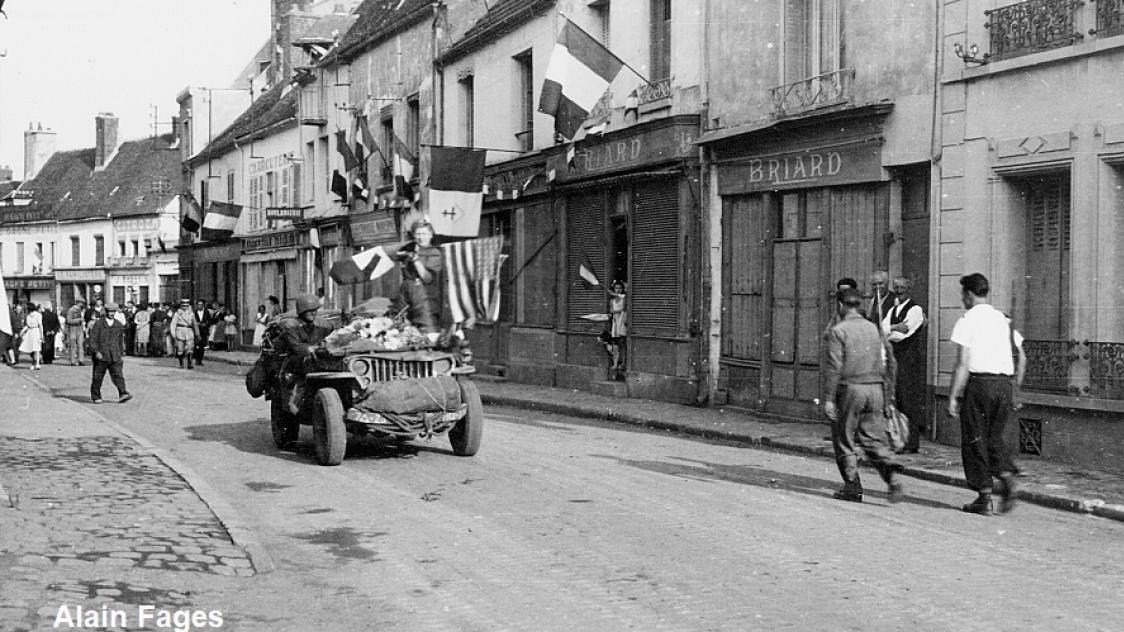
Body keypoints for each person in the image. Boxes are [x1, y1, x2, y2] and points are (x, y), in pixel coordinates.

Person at [948, 273, 1026, 515]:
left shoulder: (967, 320)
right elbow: (1022, 357)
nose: (963, 299)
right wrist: (1016, 390)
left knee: (974, 440)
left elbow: (962, 363)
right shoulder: (1004, 319)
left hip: (979, 384)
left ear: (969, 295)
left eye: (963, 295)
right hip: (1004, 385)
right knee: (994, 438)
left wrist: (953, 396)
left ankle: (984, 497)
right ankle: (1006, 475)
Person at [823, 287, 904, 504]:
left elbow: (834, 366)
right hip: (875, 389)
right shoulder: (874, 329)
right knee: (874, 438)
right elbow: (890, 363)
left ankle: (852, 486)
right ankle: (891, 475)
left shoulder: (838, 331)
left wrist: (829, 398)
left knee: (844, 439)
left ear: (840, 306)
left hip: (851, 389)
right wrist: (888, 397)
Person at [882, 275, 927, 453]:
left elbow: (905, 333)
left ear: (909, 289)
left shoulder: (915, 309)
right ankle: (900, 440)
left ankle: (911, 443)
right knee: (897, 399)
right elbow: (883, 329)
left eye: (903, 288)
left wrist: (891, 329)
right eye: (897, 288)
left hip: (909, 361)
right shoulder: (893, 310)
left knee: (909, 401)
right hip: (895, 359)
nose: (899, 291)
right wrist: (894, 327)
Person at [275, 293, 334, 414]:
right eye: (309, 311)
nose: (313, 313)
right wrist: (310, 349)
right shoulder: (291, 326)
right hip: (294, 364)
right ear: (302, 312)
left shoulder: (321, 325)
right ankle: (293, 405)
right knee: (292, 391)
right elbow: (296, 347)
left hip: (316, 362)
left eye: (315, 310)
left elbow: (333, 335)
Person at [395, 219, 444, 341]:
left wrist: (416, 261)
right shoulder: (410, 251)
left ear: (431, 235)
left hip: (425, 301)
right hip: (406, 300)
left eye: (424, 234)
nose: (421, 237)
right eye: (418, 234)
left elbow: (427, 278)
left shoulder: (435, 253)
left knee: (428, 334)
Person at [87, 302, 132, 404]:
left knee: (118, 375)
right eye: (110, 312)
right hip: (101, 355)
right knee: (98, 377)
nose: (112, 314)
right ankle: (96, 396)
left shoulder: (118, 325)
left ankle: (123, 393)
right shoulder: (99, 324)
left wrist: (121, 353)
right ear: (106, 312)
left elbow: (120, 341)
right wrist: (96, 351)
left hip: (115, 355)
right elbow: (93, 339)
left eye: (113, 312)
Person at [171, 298, 201, 369]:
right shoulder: (177, 314)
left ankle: (189, 363)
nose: (185, 306)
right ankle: (181, 363)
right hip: (180, 332)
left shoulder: (191, 314)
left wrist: (197, 334)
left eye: (186, 305)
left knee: (190, 348)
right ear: (181, 306)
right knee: (180, 349)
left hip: (189, 331)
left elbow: (195, 324)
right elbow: (173, 324)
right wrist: (173, 334)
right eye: (183, 305)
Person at [607, 280, 627, 377]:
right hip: (615, 322)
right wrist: (615, 312)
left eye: (620, 288)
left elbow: (623, 308)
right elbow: (611, 310)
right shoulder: (612, 300)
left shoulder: (624, 298)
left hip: (622, 321)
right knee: (616, 344)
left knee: (622, 343)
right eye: (616, 288)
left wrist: (617, 311)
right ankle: (615, 363)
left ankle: (624, 362)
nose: (618, 290)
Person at [19, 302, 43, 370]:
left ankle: (37, 364)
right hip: (30, 332)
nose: (26, 309)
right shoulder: (28, 316)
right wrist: (22, 331)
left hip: (36, 331)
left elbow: (40, 325)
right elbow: (27, 325)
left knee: (37, 348)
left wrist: (41, 335)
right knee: (32, 348)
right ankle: (33, 363)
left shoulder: (38, 315)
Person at [65, 299, 87, 366]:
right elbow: (68, 320)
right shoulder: (71, 310)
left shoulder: (80, 310)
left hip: (79, 328)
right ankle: (72, 360)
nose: (82, 304)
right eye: (81, 303)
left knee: (80, 345)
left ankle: (81, 360)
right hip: (72, 329)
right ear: (78, 303)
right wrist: (78, 320)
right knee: (73, 345)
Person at [193, 299, 213, 366]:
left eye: (201, 305)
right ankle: (196, 360)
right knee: (196, 345)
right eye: (198, 304)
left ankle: (200, 360)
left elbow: (210, 321)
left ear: (203, 305)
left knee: (202, 346)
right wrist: (196, 324)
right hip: (196, 330)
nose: (200, 306)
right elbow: (192, 321)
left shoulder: (207, 312)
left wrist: (206, 324)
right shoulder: (194, 312)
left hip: (204, 331)